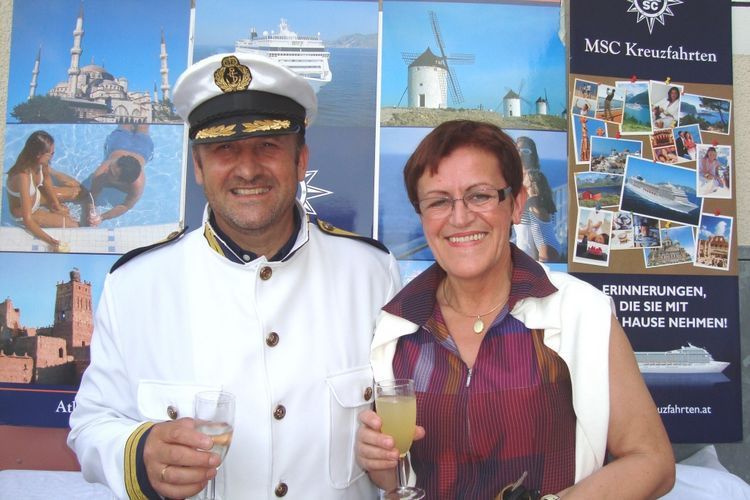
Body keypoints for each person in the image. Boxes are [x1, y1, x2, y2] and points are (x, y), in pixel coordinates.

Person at [68, 52, 402, 499]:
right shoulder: (135, 286)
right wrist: (142, 453)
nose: (247, 169)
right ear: (198, 166)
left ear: (300, 160)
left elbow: (406, 422)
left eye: (268, 146)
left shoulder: (372, 274)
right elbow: (91, 424)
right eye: (224, 149)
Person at [355, 120, 675, 498]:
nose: (460, 218)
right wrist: (381, 464)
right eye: (438, 201)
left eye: (480, 196)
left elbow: (652, 460)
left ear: (517, 204)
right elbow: (396, 478)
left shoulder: (580, 311)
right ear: (422, 215)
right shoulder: (396, 327)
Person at [5, 130, 83, 251]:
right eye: (50, 154)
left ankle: (52, 208)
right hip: (28, 212)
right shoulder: (23, 176)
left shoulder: (42, 162)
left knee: (78, 192)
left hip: (37, 196)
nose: (52, 156)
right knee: (73, 225)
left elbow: (46, 181)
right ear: (38, 154)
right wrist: (50, 241)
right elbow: (27, 219)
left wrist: (56, 205)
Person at [85, 123, 151, 225]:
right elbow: (92, 196)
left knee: (143, 125)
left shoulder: (137, 185)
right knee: (126, 122)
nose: (105, 171)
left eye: (111, 173)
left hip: (142, 150)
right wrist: (91, 212)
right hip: (119, 143)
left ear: (123, 182)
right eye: (110, 166)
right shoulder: (100, 174)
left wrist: (102, 217)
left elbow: (126, 206)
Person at [514, 136, 560, 263]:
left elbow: (540, 219)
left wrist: (541, 257)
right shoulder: (519, 178)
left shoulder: (532, 177)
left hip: (536, 253)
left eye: (525, 151)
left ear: (532, 155)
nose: (520, 154)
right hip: (527, 250)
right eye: (517, 150)